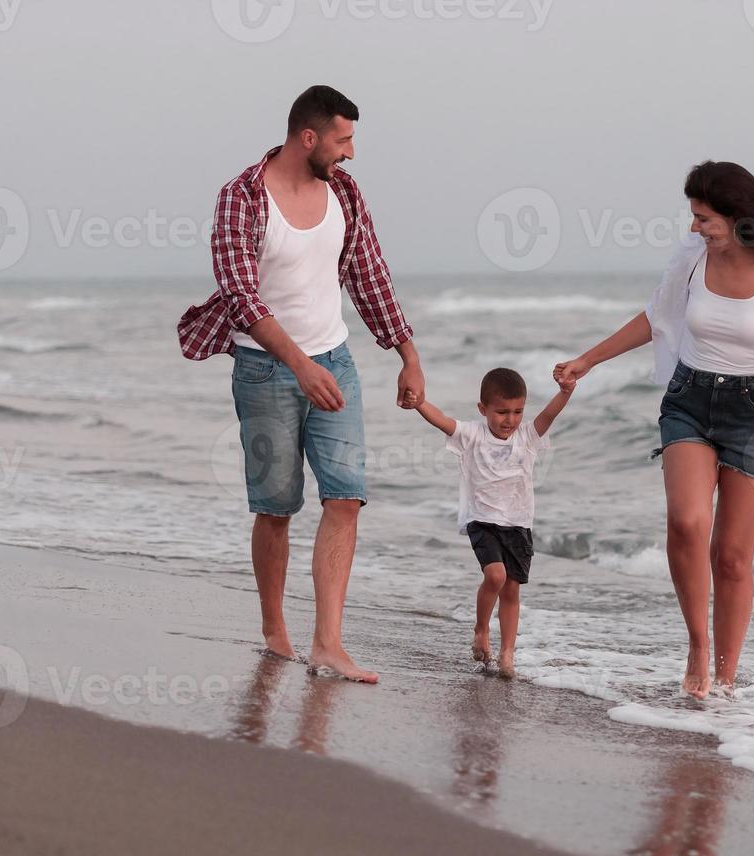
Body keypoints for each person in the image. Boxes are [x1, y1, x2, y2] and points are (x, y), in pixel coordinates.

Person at [554, 161, 754, 699]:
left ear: (738, 218)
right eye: (694, 217)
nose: (694, 228)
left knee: (732, 558)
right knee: (687, 524)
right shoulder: (693, 259)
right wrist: (587, 360)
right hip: (689, 401)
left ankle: (727, 678)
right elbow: (654, 318)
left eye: (704, 218)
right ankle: (697, 644)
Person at [176, 85, 426, 684]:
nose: (352, 153)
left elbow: (370, 275)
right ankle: (275, 629)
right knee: (277, 508)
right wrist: (296, 365)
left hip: (334, 362)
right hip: (264, 371)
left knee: (345, 498)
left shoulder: (344, 192)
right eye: (343, 140)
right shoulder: (242, 198)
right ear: (308, 138)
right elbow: (240, 296)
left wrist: (407, 355)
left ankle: (329, 644)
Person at [403, 368, 575, 679]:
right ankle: (481, 630)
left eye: (518, 411)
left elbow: (549, 415)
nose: (510, 419)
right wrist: (419, 404)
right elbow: (441, 419)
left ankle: (507, 653)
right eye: (502, 412)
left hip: (519, 523)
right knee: (495, 576)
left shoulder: (527, 437)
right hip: (482, 521)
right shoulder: (472, 435)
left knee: (511, 589)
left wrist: (565, 393)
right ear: (483, 409)